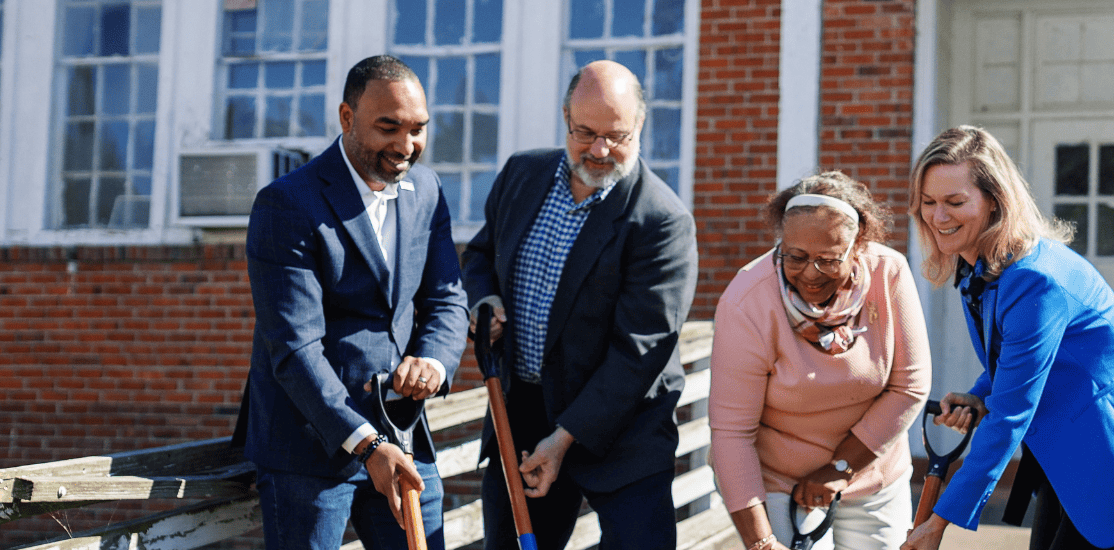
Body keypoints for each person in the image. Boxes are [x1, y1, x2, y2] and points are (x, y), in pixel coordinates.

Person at [900, 126, 1114, 550]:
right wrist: (980, 394)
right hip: (1064, 460)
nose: (938, 217)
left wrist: (938, 522)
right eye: (928, 203)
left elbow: (1011, 413)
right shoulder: (980, 268)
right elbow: (1017, 361)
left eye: (954, 202)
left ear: (994, 202)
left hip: (1111, 459)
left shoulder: (1033, 280)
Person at [459, 60, 699, 550]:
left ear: (641, 127)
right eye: (584, 132)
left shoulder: (662, 221)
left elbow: (640, 351)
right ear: (565, 115)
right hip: (523, 415)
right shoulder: (522, 173)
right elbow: (483, 253)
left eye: (617, 135)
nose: (599, 150)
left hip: (624, 428)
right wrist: (484, 299)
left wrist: (564, 438)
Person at [240, 55, 468, 550]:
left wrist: (432, 359)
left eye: (417, 129)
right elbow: (294, 348)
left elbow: (447, 298)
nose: (406, 146)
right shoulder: (287, 204)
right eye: (389, 128)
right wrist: (366, 444)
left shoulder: (426, 189)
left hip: (404, 435)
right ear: (347, 118)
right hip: (309, 449)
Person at [710, 172, 931, 550]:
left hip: (872, 470)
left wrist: (840, 468)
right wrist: (761, 543)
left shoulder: (888, 273)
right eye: (796, 257)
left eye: (829, 260)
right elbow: (732, 434)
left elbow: (909, 386)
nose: (810, 274)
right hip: (781, 482)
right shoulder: (747, 302)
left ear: (858, 245)